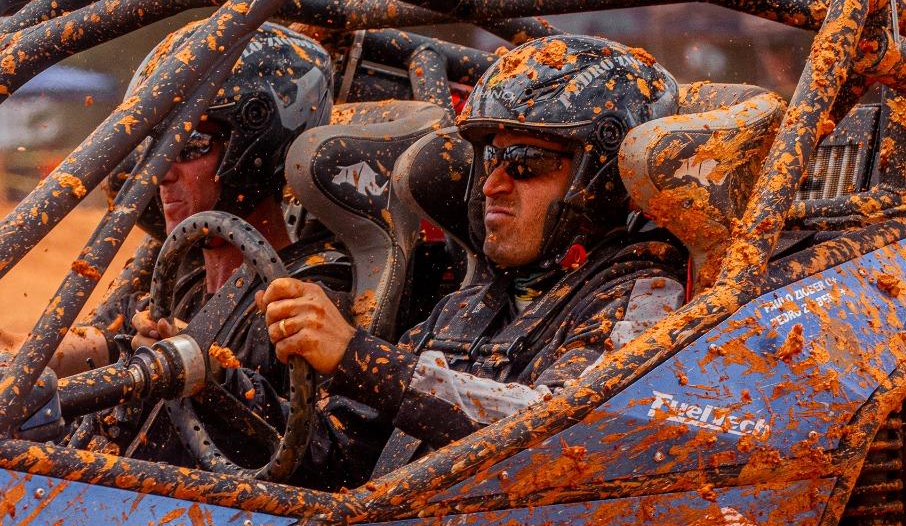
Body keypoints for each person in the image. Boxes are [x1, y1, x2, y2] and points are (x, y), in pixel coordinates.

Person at [0, 21, 350, 470]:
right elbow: (33, 359)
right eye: (154, 145)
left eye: (189, 145)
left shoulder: (314, 292)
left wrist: (210, 375)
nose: (161, 171)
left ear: (257, 144)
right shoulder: (168, 277)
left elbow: (323, 461)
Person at [259, 34, 688, 469]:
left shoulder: (643, 299)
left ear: (602, 181)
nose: (492, 186)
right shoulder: (464, 309)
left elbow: (566, 426)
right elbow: (333, 456)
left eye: (524, 163)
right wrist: (213, 385)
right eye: (491, 160)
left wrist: (358, 357)